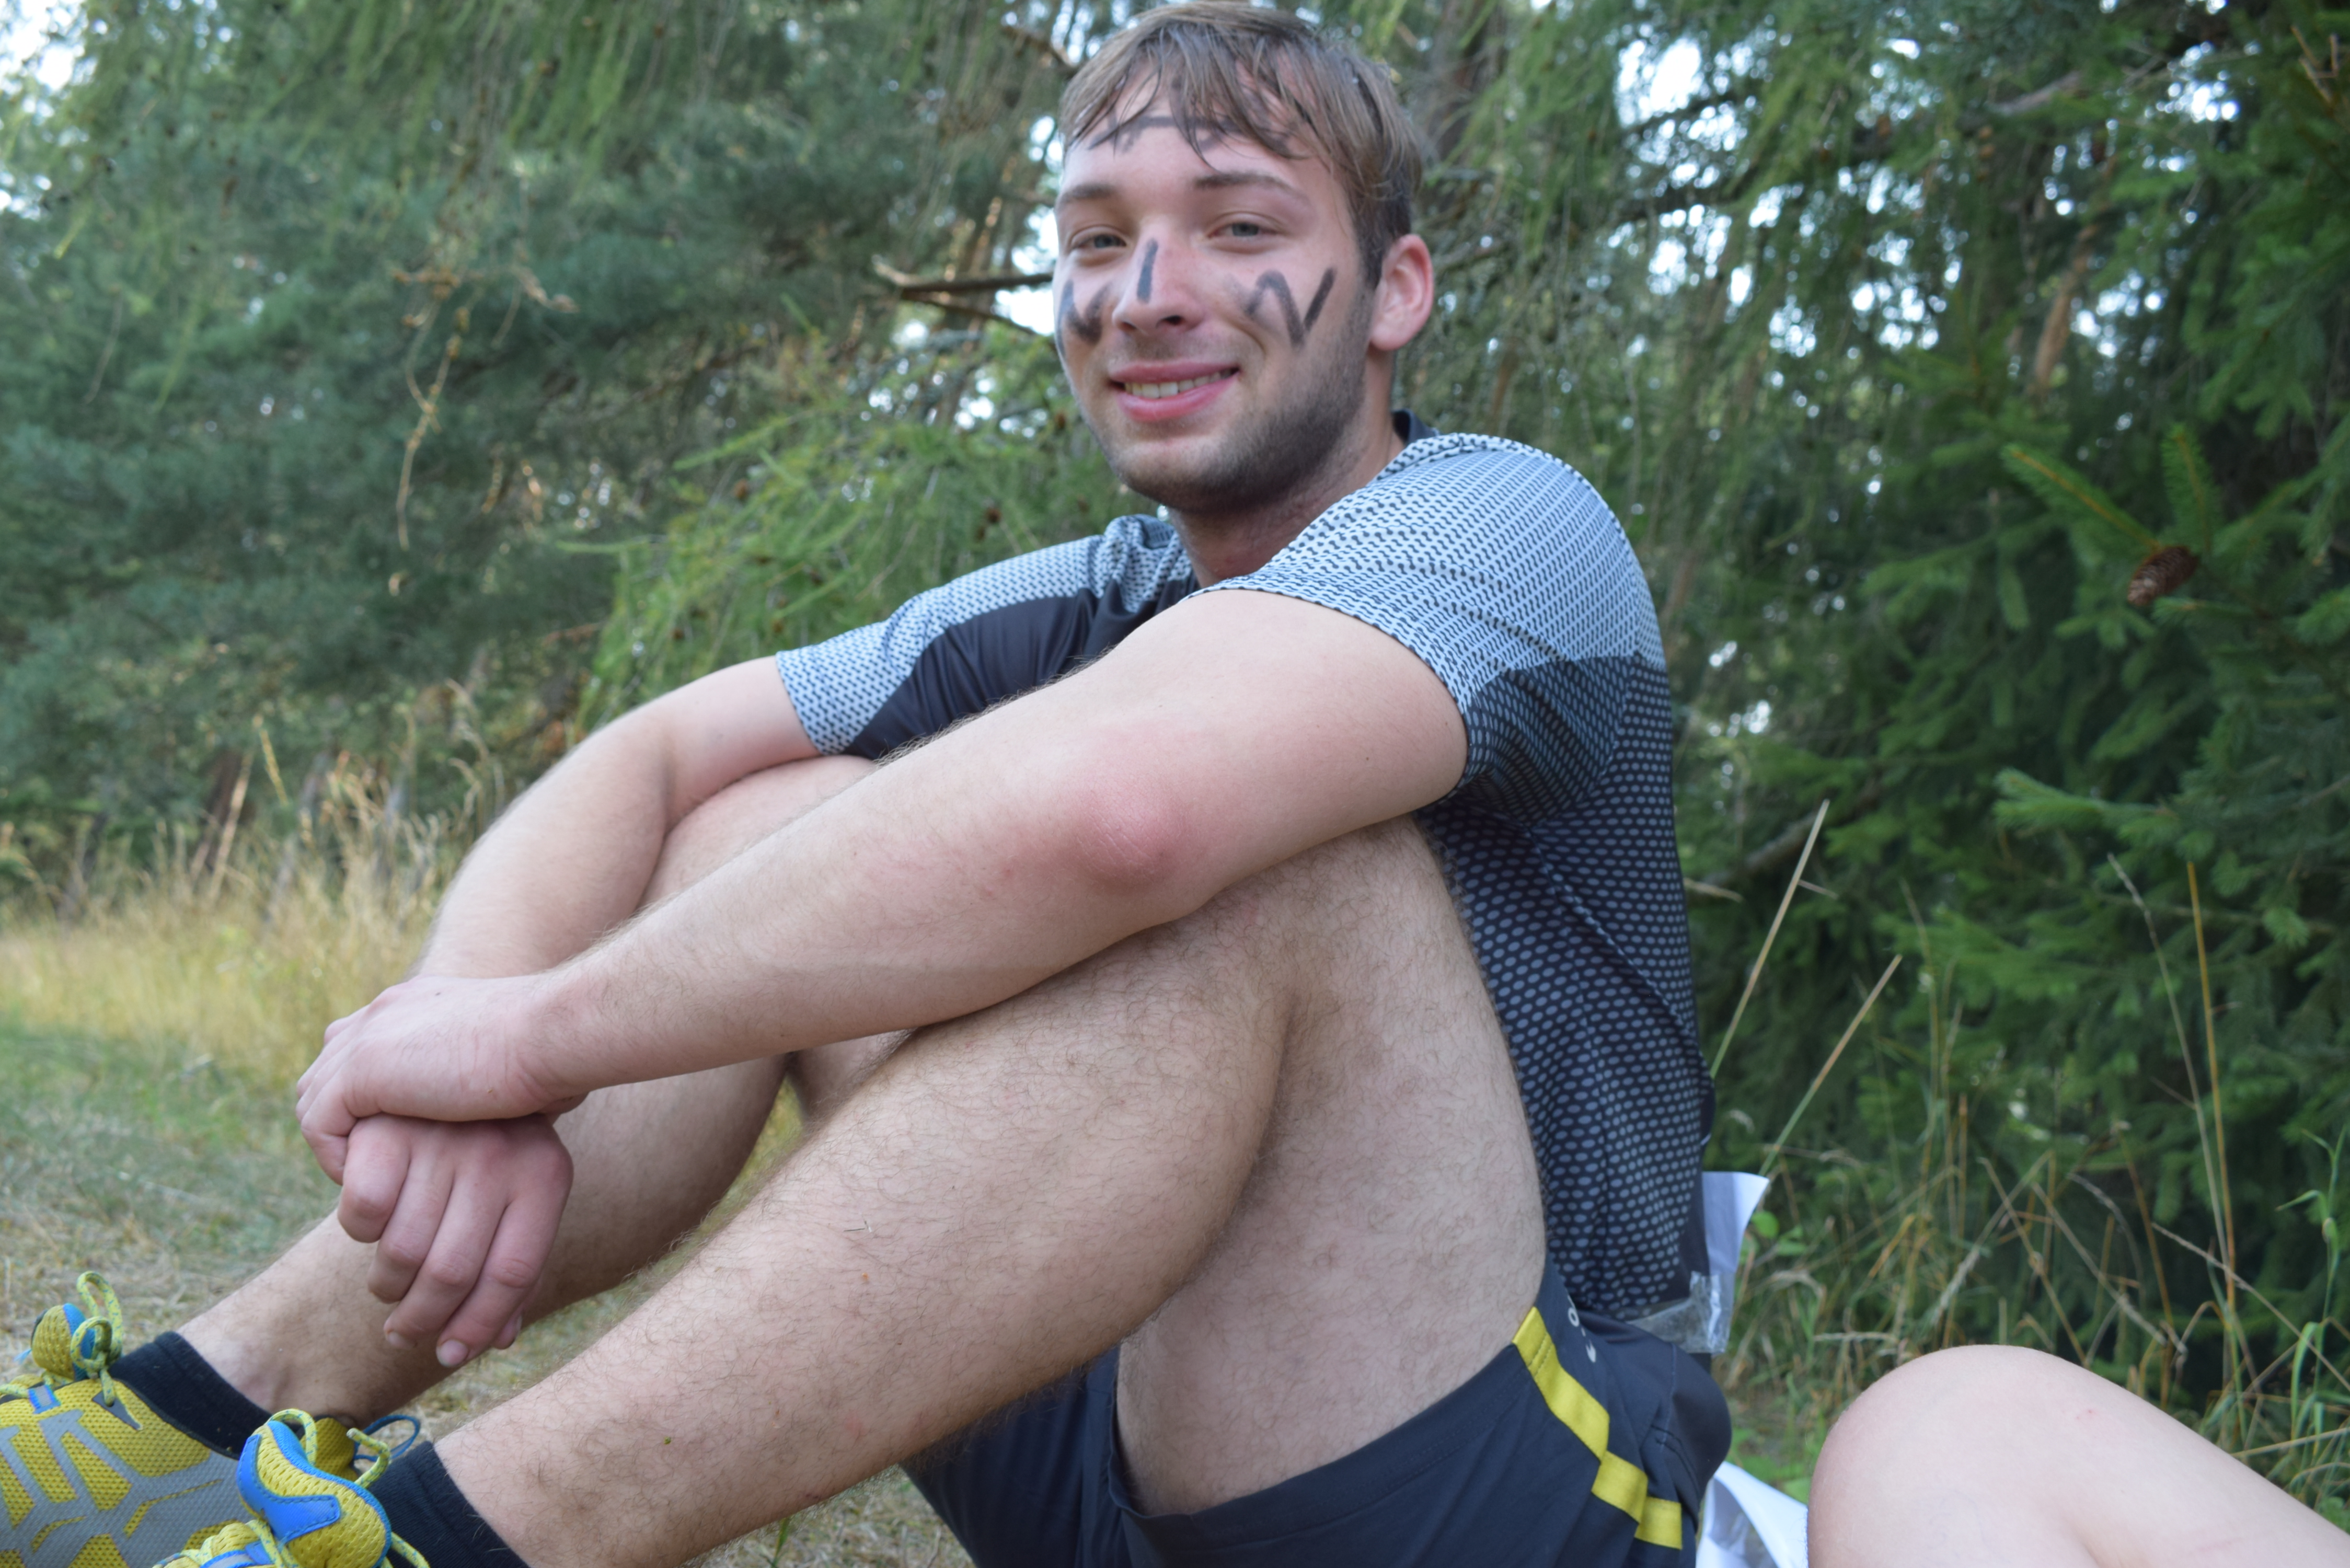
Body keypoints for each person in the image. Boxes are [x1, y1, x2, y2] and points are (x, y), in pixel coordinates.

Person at [5, 7, 2334, 1568]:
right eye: (1097, 241)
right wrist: (470, 1050)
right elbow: (651, 755)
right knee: (756, 833)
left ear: (1393, 294)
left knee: (1253, 869)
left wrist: (529, 1033)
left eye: (1238, 229)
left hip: (1484, 1479)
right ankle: (197, 1422)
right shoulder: (1098, 584)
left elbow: (1127, 824)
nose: (1148, 289)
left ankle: (436, 1548)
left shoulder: (1503, 531)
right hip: (1112, 1426)